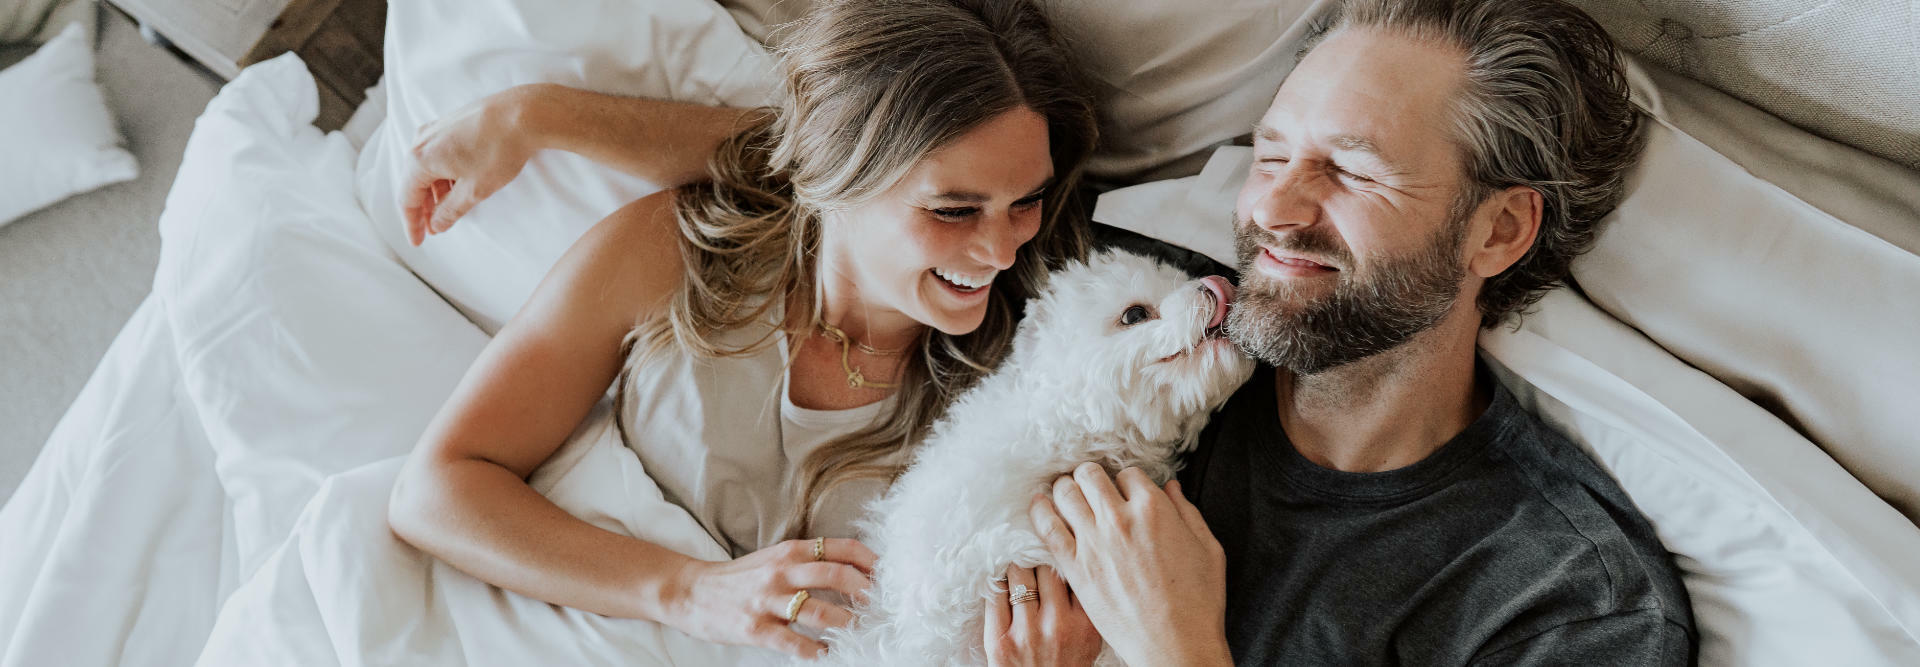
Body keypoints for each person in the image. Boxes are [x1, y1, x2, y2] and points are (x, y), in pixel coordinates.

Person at [384, 0, 1106, 662]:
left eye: (1026, 200)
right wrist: (689, 589)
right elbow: (437, 489)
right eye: (954, 211)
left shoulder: (1016, 387)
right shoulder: (675, 255)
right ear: (838, 180)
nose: (1001, 250)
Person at [1024, 0, 1696, 664]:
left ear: (1500, 230)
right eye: (1269, 156)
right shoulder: (1135, 317)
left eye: (1352, 171)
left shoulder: (1568, 603)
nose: (1274, 210)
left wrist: (1176, 647)